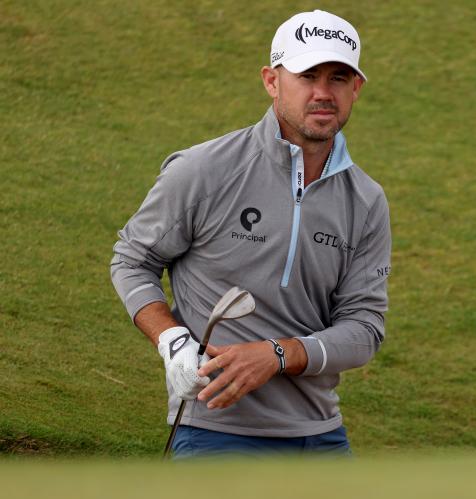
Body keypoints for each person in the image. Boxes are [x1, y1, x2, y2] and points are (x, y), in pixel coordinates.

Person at [110, 10, 391, 458]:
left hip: (322, 436)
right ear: (271, 80)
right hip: (215, 432)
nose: (323, 93)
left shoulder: (366, 200)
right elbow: (132, 260)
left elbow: (364, 328)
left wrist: (278, 354)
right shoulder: (203, 170)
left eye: (338, 78)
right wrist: (172, 340)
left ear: (355, 88)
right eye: (307, 75)